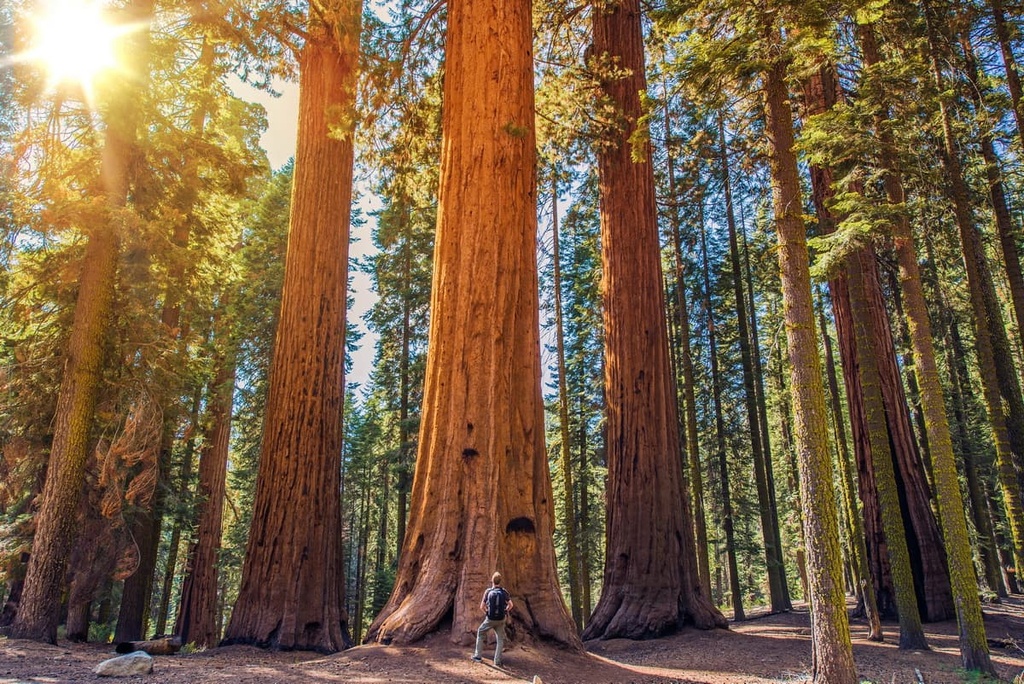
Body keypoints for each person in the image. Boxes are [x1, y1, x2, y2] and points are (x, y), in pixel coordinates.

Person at [472, 571, 513, 667]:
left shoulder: (488, 591)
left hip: (490, 619)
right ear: (500, 581)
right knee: (500, 638)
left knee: (481, 632)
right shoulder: (504, 592)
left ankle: (477, 656)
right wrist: (506, 611)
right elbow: (511, 605)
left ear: (492, 581)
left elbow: (482, 606)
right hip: (501, 619)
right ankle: (497, 661)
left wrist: (487, 613)